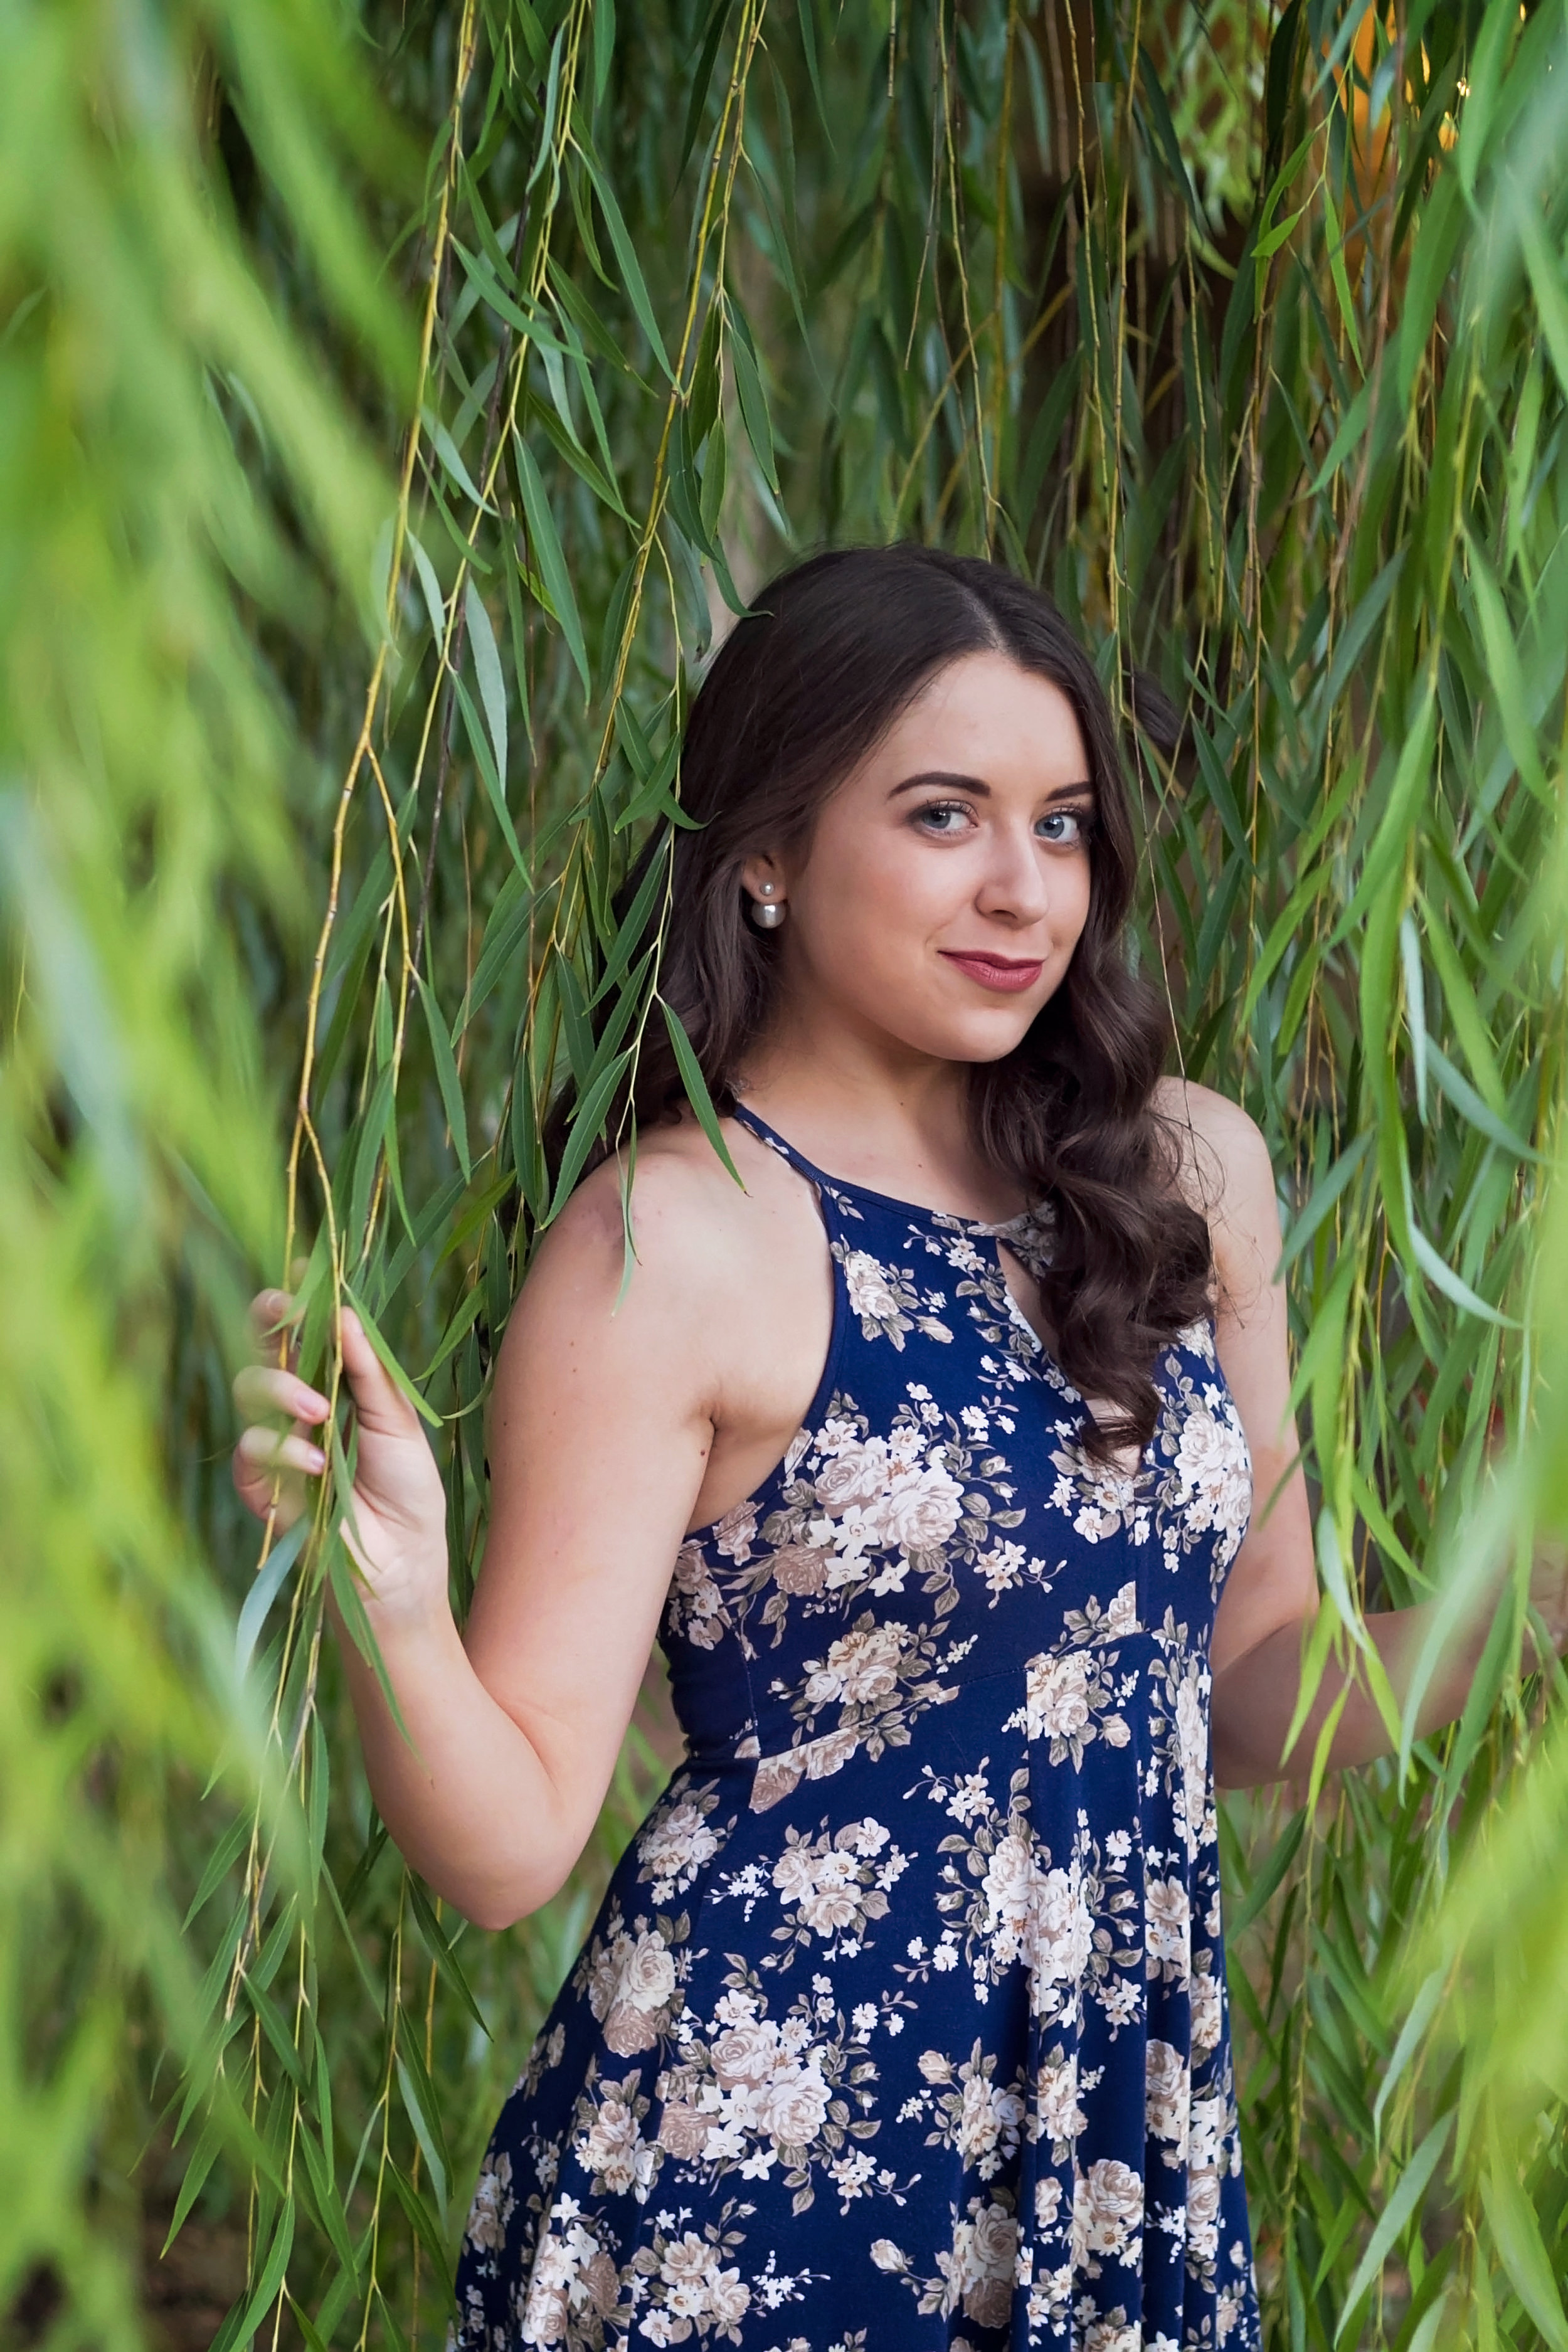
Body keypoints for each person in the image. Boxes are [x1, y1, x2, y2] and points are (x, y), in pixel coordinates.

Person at [233, 546, 1564, 2352]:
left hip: (1114, 2131)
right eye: (945, 815)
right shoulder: (674, 1246)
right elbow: (510, 1841)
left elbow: (1250, 1683)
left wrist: (1529, 1592)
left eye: (1066, 824)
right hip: (758, 2150)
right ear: (764, 852)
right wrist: (387, 1599)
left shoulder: (1180, 1181)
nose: (1026, 891)